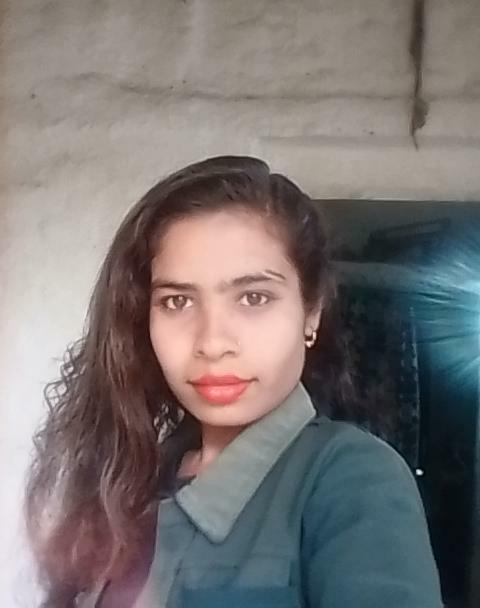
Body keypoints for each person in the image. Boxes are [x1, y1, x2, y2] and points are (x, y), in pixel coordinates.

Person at [25, 156, 443, 608]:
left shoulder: (351, 479)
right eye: (177, 301)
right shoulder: (134, 478)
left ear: (311, 311)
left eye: (253, 297)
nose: (212, 342)